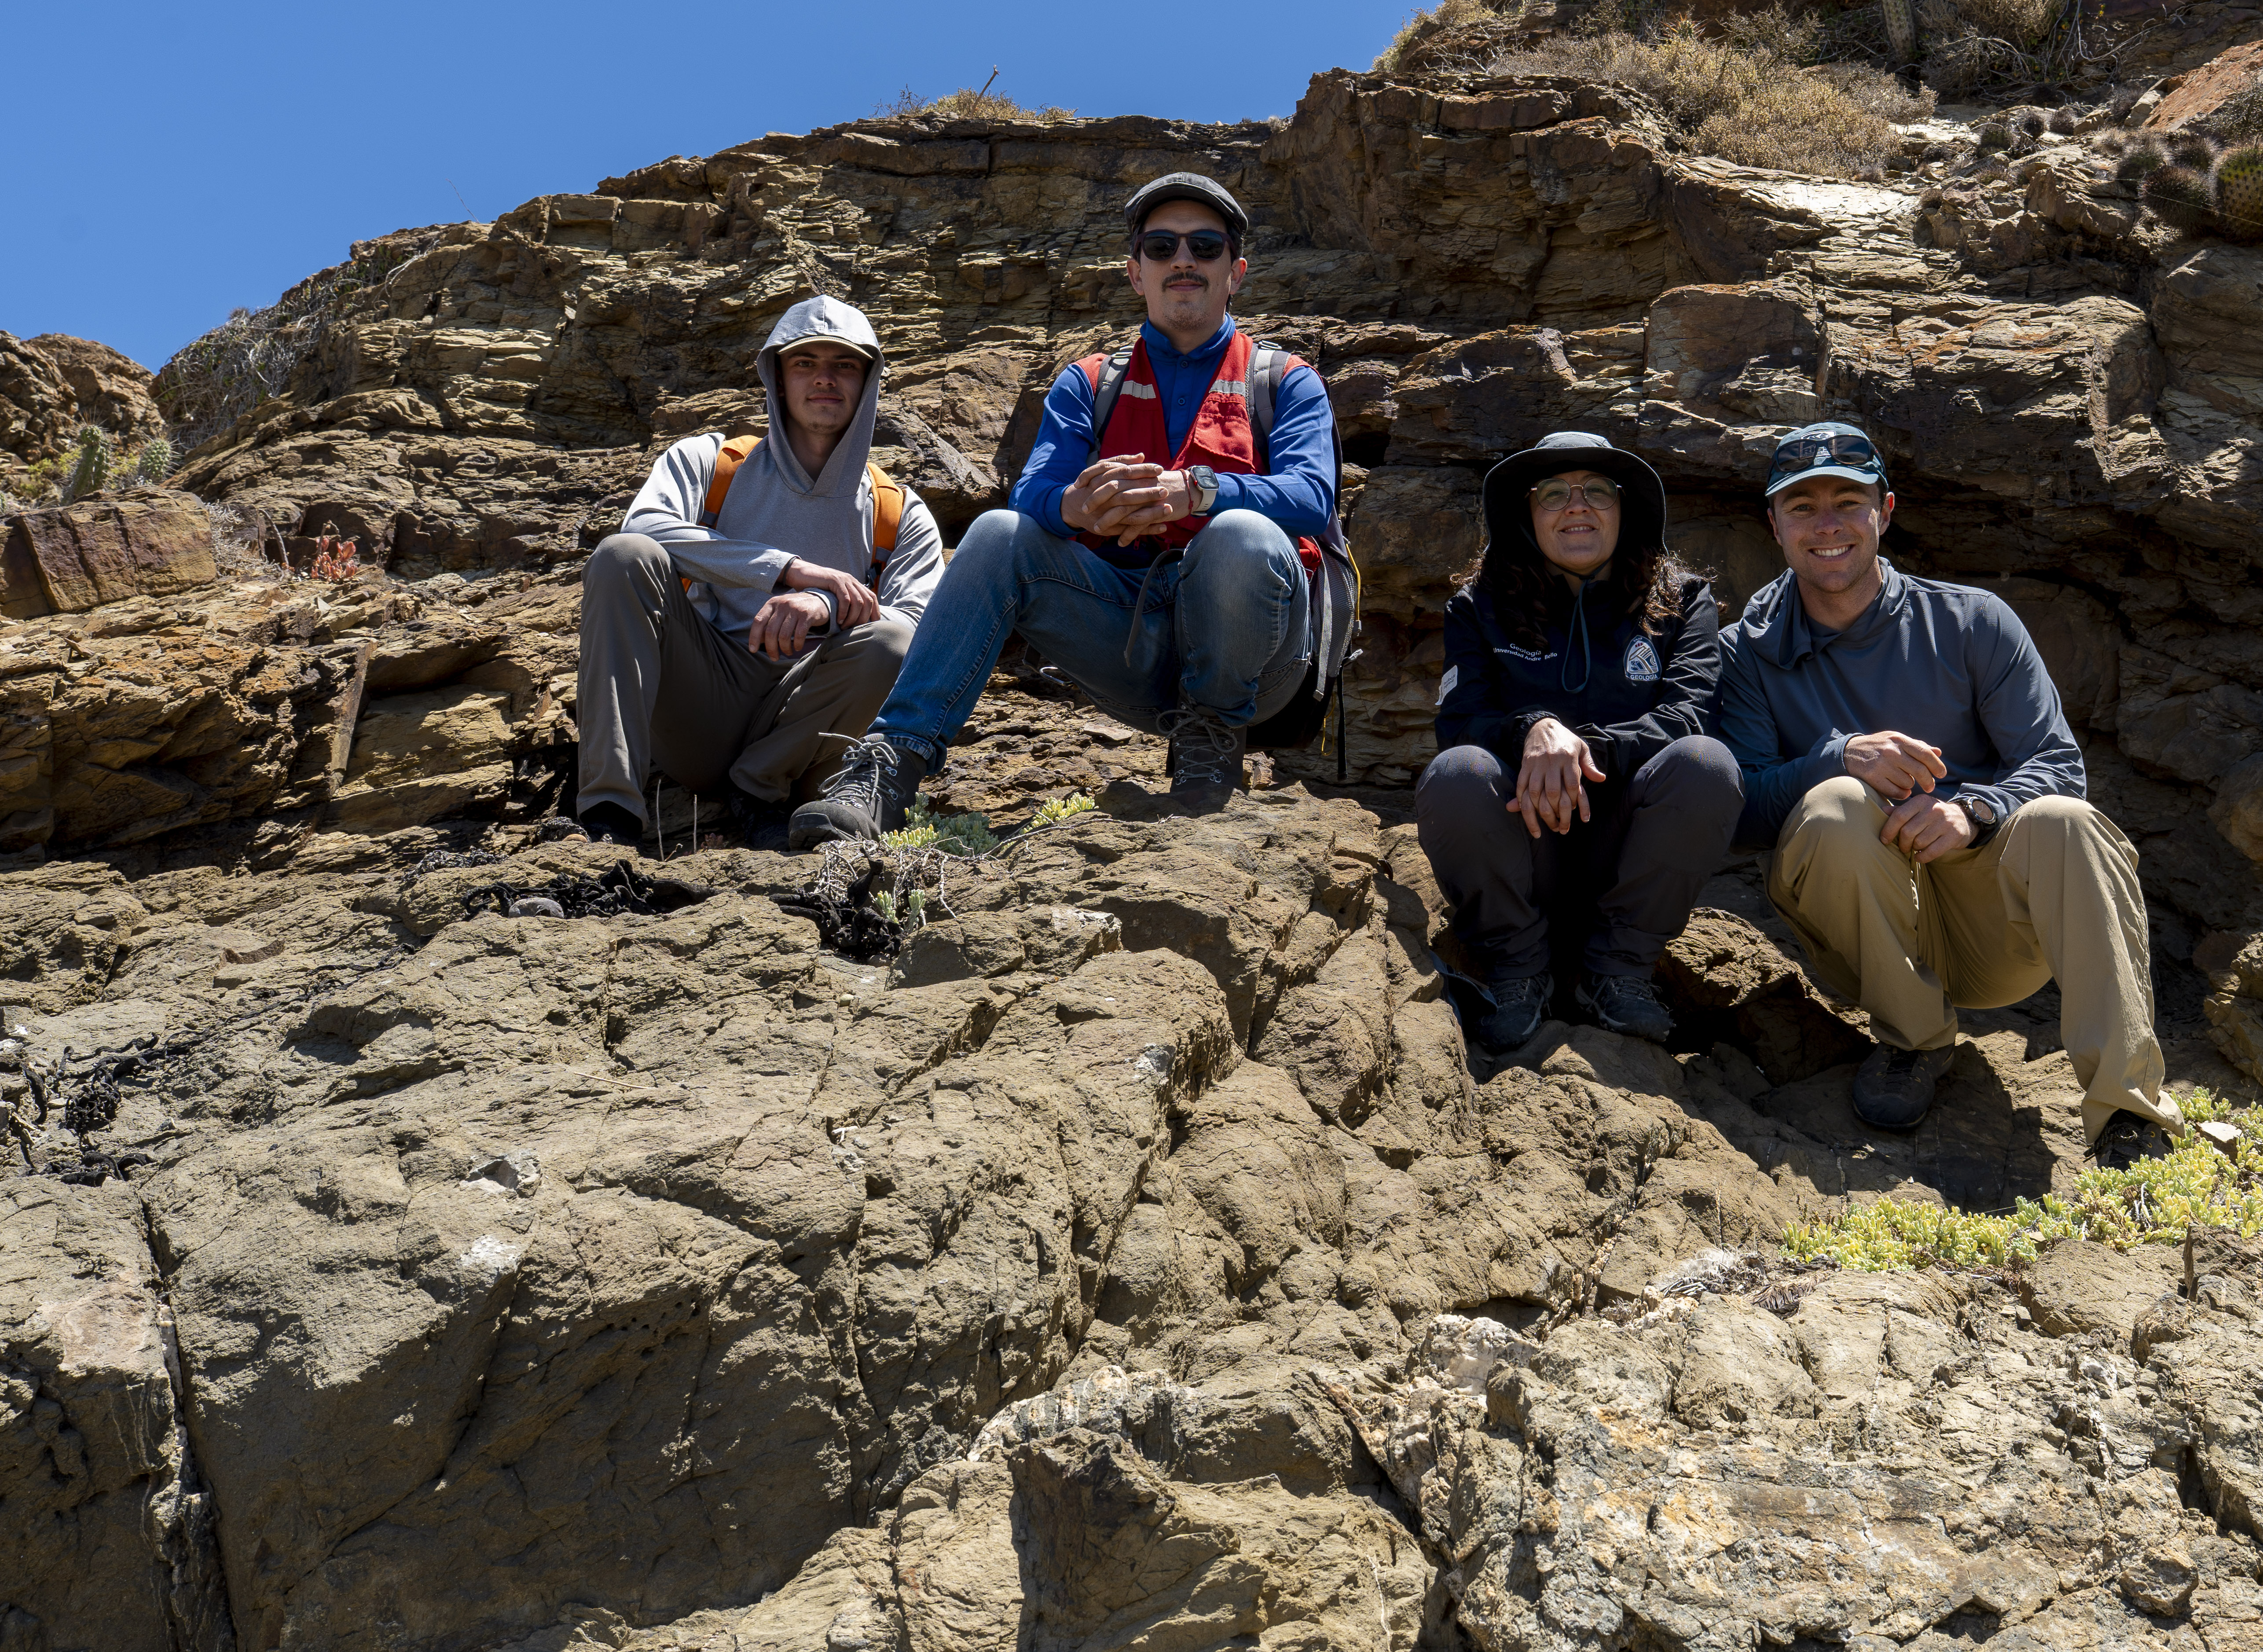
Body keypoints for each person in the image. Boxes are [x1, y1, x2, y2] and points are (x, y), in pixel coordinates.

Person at [822, 171, 1353, 832]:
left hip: (1261, 658)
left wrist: (1194, 491)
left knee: (1241, 534)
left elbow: (1312, 496)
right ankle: (888, 765)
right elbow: (1034, 494)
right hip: (1131, 639)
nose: (1182, 259)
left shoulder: (1287, 382)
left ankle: (1211, 745)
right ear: (1136, 274)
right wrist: (1079, 506)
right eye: (1161, 247)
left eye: (1205, 246)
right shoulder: (1091, 382)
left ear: (1235, 272)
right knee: (995, 532)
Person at [1713, 422, 2186, 1153]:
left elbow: (2057, 763)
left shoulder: (1972, 622)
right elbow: (1740, 808)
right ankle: (1914, 1043)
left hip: (1989, 929)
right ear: (1771, 525)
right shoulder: (1745, 652)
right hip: (1862, 939)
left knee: (2069, 820)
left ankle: (2128, 1113)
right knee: (1835, 803)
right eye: (1801, 507)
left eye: (1848, 500)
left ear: (1886, 511)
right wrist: (1838, 757)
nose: (1827, 524)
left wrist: (1973, 810)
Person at [571, 294, 945, 850]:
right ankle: (608, 816)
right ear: (776, 375)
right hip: (705, 701)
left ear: (868, 381)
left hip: (811, 730)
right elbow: (644, 526)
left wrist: (828, 604)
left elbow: (920, 622)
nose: (825, 379)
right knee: (624, 557)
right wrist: (786, 570)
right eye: (805, 363)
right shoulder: (712, 463)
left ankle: (759, 791)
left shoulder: (899, 510)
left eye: (844, 365)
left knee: (892, 640)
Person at [1419, 432, 1743, 1054]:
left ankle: (1617, 975)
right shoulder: (1478, 605)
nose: (1577, 507)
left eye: (1598, 492)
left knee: (1707, 765)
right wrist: (1533, 729)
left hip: (1626, 847)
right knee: (1457, 772)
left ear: (1626, 510)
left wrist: (1578, 751)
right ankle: (1517, 972)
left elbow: (1692, 716)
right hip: (1524, 842)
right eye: (1553, 495)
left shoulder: (1684, 601)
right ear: (1527, 512)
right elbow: (1460, 722)